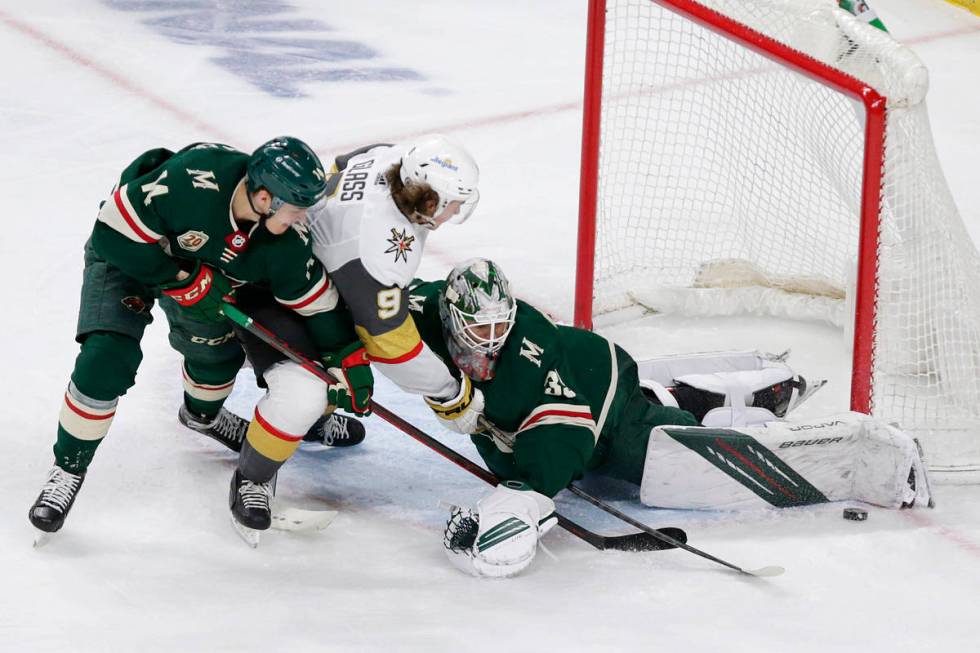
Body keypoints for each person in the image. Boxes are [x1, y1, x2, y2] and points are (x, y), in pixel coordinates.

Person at [406, 258, 932, 578]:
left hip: (599, 395)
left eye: (501, 331)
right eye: (479, 334)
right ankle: (673, 394)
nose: (490, 346)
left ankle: (725, 404)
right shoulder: (428, 307)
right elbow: (374, 312)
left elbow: (561, 442)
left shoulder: (529, 362)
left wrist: (526, 495)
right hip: (556, 397)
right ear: (452, 316)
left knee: (661, 453)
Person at [27, 137, 366, 538]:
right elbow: (110, 234)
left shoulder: (286, 242)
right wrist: (181, 278)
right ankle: (67, 468)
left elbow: (319, 305)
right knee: (106, 356)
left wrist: (345, 357)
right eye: (294, 210)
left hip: (204, 281)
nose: (300, 219)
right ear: (262, 198)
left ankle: (202, 418)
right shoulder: (193, 179)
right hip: (132, 255)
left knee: (215, 359)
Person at [218, 134, 485, 541]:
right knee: (306, 392)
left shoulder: (389, 157)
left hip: (311, 274)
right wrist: (449, 393)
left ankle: (310, 425)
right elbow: (391, 346)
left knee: (341, 361)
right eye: (451, 205)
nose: (453, 213)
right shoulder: (377, 256)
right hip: (270, 289)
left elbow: (344, 162)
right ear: (428, 200)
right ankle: (253, 477)